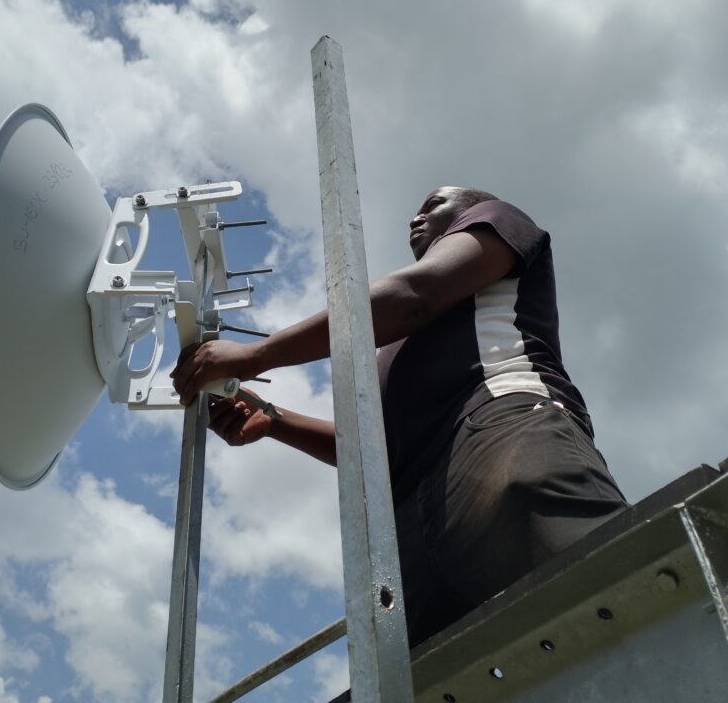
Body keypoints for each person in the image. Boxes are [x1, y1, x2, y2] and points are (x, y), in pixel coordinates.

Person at [171, 186, 628, 646]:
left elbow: (415, 295)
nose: (416, 218)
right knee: (442, 672)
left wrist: (255, 356)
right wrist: (273, 418)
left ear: (470, 211)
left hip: (496, 428)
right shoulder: (397, 345)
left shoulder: (498, 221)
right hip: (411, 504)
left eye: (434, 205)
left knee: (612, 597)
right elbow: (377, 449)